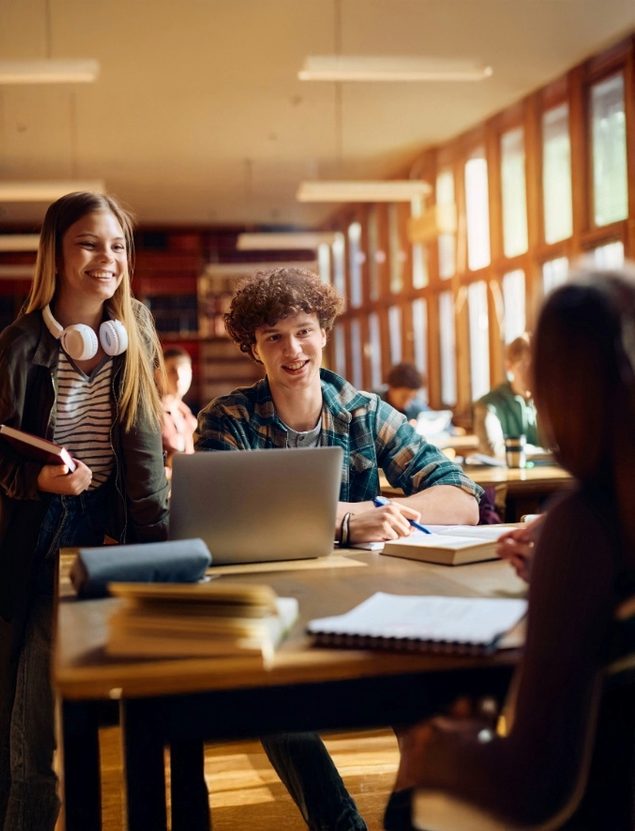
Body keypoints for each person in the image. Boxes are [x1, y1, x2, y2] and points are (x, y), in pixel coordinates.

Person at [195, 266, 482, 831]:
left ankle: (419, 814)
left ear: (324, 331)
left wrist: (392, 515)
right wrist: (350, 518)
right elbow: (222, 520)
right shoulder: (227, 420)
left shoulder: (364, 411)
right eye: (272, 337)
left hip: (366, 601)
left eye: (303, 330)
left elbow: (464, 497)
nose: (291, 349)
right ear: (254, 347)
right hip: (272, 605)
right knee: (271, 703)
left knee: (424, 683)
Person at [0, 191, 170, 831]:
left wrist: (158, 547)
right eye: (89, 243)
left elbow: (146, 453)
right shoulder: (18, 346)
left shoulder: (136, 334)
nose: (107, 258)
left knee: (38, 741)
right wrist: (41, 478)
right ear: (57, 253)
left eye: (118, 244)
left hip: (78, 554)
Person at [384, 266, 635, 830]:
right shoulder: (597, 526)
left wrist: (435, 747)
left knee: (407, 806)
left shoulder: (585, 527)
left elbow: (531, 784)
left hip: (589, 812)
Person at [473, 333, 541, 458]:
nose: (531, 374)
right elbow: (493, 450)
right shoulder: (488, 404)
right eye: (524, 366)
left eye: (537, 366)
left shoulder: (552, 403)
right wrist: (546, 454)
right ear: (509, 366)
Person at [158, 346, 198, 475]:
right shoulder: (151, 414)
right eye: (172, 371)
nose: (179, 377)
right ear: (158, 374)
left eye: (184, 370)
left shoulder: (190, 419)